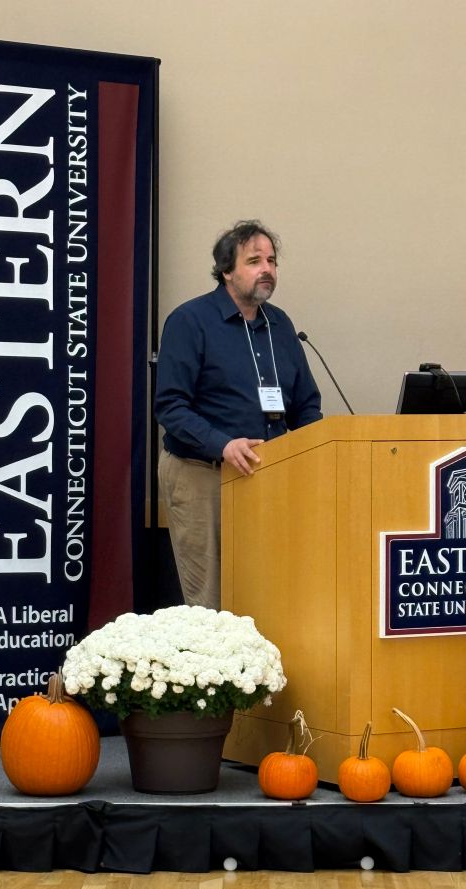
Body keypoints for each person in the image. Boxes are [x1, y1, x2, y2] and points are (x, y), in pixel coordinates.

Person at [154, 220, 323, 610]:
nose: (267, 269)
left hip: (268, 477)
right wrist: (223, 444)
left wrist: (321, 450)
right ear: (226, 270)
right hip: (202, 473)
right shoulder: (190, 321)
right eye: (254, 261)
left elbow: (305, 407)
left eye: (272, 261)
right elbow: (171, 406)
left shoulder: (280, 325)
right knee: (211, 600)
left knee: (267, 594)